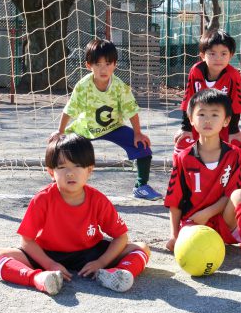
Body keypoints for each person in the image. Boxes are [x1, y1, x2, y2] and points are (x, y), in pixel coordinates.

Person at [0, 134, 151, 295]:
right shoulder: (42, 199)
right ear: (51, 172)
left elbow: (121, 237)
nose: (70, 173)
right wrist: (49, 264)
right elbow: (27, 241)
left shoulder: (98, 199)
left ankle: (119, 274)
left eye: (77, 166)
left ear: (90, 170)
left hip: (90, 252)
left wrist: (101, 262)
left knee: (142, 248)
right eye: (62, 167)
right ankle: (39, 279)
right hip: (48, 254)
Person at [165, 89, 241, 278]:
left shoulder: (236, 155)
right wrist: (174, 235)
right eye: (202, 114)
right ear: (191, 119)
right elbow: (175, 200)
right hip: (194, 223)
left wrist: (206, 213)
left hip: (224, 220)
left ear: (226, 120)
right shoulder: (182, 158)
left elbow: (232, 195)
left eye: (215, 115)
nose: (208, 120)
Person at [52, 38, 161, 201]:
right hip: (86, 128)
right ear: (89, 65)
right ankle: (59, 184)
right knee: (60, 146)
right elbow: (70, 109)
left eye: (108, 63)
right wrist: (60, 131)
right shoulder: (82, 86)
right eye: (98, 64)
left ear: (115, 64)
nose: (104, 69)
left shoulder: (119, 87)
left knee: (143, 147)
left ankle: (141, 186)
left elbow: (131, 111)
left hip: (113, 127)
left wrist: (138, 133)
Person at [173, 29, 241, 156]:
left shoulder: (233, 75)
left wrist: (233, 130)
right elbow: (188, 100)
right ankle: (185, 174)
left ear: (231, 55)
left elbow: (236, 104)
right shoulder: (195, 71)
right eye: (212, 54)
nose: (218, 58)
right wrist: (186, 128)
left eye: (223, 54)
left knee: (237, 148)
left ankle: (224, 174)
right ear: (202, 55)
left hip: (221, 123)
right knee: (182, 145)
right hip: (199, 121)